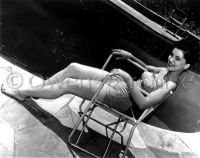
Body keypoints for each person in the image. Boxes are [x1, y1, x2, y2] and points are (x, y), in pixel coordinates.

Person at [1, 39, 198, 112]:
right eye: (172, 55)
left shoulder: (170, 85)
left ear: (186, 65)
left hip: (124, 99)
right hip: (120, 82)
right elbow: (147, 66)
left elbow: (144, 104)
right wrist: (131, 56)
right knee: (73, 67)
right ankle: (41, 90)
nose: (171, 60)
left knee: (69, 83)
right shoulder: (166, 70)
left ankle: (23, 92)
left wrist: (129, 79)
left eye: (177, 58)